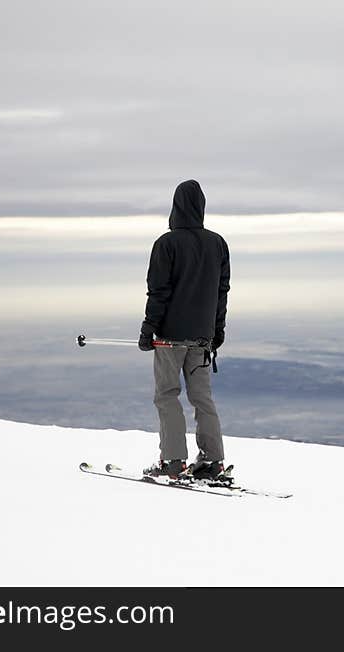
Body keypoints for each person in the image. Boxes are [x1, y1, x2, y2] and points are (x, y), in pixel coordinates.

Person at [138, 180, 230, 480]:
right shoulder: (218, 244)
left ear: (175, 206)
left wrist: (148, 328)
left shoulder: (166, 244)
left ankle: (174, 461)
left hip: (169, 337)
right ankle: (212, 461)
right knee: (202, 398)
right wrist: (217, 330)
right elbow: (221, 291)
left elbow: (159, 291)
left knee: (167, 394)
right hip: (202, 339)